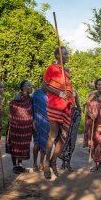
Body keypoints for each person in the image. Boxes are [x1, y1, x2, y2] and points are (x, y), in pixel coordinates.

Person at [42, 46, 75, 179]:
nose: (67, 55)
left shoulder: (66, 71)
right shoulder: (52, 68)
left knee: (64, 137)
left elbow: (67, 88)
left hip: (66, 107)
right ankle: (46, 163)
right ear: (58, 56)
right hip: (55, 105)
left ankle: (53, 161)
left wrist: (70, 95)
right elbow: (44, 86)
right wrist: (60, 93)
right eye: (64, 54)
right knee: (53, 134)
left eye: (67, 53)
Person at [6, 80, 34, 174]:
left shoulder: (29, 99)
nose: (31, 87)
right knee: (15, 145)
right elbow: (12, 110)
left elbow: (31, 111)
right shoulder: (17, 98)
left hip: (26, 127)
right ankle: (15, 165)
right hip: (15, 127)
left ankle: (20, 165)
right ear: (24, 88)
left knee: (22, 145)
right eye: (29, 85)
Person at [59, 90, 81, 172]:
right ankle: (63, 163)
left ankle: (68, 163)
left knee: (71, 145)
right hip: (63, 128)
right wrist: (62, 129)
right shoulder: (62, 107)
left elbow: (78, 118)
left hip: (73, 128)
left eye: (74, 97)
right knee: (62, 144)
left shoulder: (77, 109)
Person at [31, 86, 49, 172]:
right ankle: (35, 163)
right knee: (37, 144)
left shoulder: (52, 93)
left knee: (44, 144)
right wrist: (32, 121)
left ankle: (41, 163)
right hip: (37, 121)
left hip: (47, 122)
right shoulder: (37, 93)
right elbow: (31, 107)